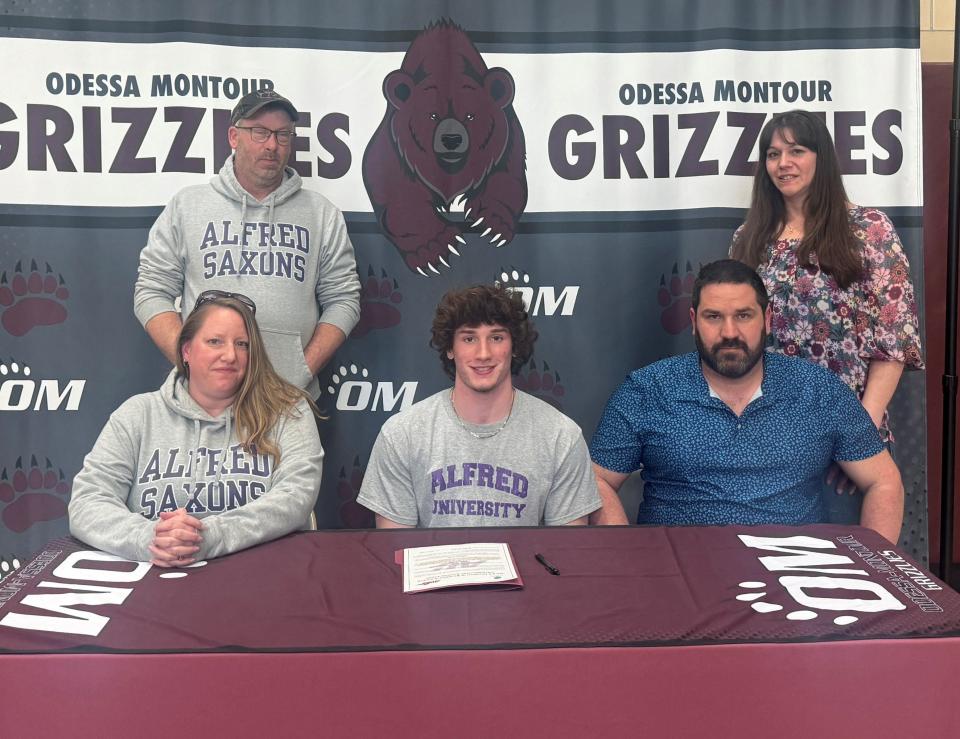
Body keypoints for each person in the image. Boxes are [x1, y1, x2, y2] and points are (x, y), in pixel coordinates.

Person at [590, 260, 904, 543]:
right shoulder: (647, 390)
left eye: (743, 315)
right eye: (713, 316)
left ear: (767, 320)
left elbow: (884, 482)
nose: (730, 332)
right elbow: (597, 480)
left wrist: (872, 567)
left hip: (794, 575)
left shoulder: (817, 390)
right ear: (693, 321)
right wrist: (626, 556)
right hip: (678, 576)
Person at [134, 89, 360, 399]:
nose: (272, 145)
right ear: (233, 136)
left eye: (283, 135)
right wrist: (192, 364)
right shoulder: (187, 206)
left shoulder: (321, 214)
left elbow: (344, 300)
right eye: (260, 132)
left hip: (288, 400)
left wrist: (301, 372)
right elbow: (151, 291)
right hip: (204, 400)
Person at [69, 292, 324, 566]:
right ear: (186, 350)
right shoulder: (138, 414)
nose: (230, 355)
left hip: (266, 577)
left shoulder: (288, 411)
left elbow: (295, 499)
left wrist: (208, 537)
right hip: (156, 582)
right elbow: (88, 502)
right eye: (215, 341)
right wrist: (149, 538)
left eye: (242, 344)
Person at [730, 110, 923, 453]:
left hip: (847, 431)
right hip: (767, 434)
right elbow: (737, 336)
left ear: (822, 157)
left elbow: (893, 341)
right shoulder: (748, 239)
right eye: (773, 154)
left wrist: (858, 434)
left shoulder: (868, 228)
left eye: (796, 151)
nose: (783, 163)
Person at [357, 284, 602, 528]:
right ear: (450, 349)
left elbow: (566, 553)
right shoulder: (402, 434)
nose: (483, 353)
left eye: (496, 337)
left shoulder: (561, 436)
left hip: (526, 568)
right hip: (432, 567)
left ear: (514, 346)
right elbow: (395, 553)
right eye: (469, 338)